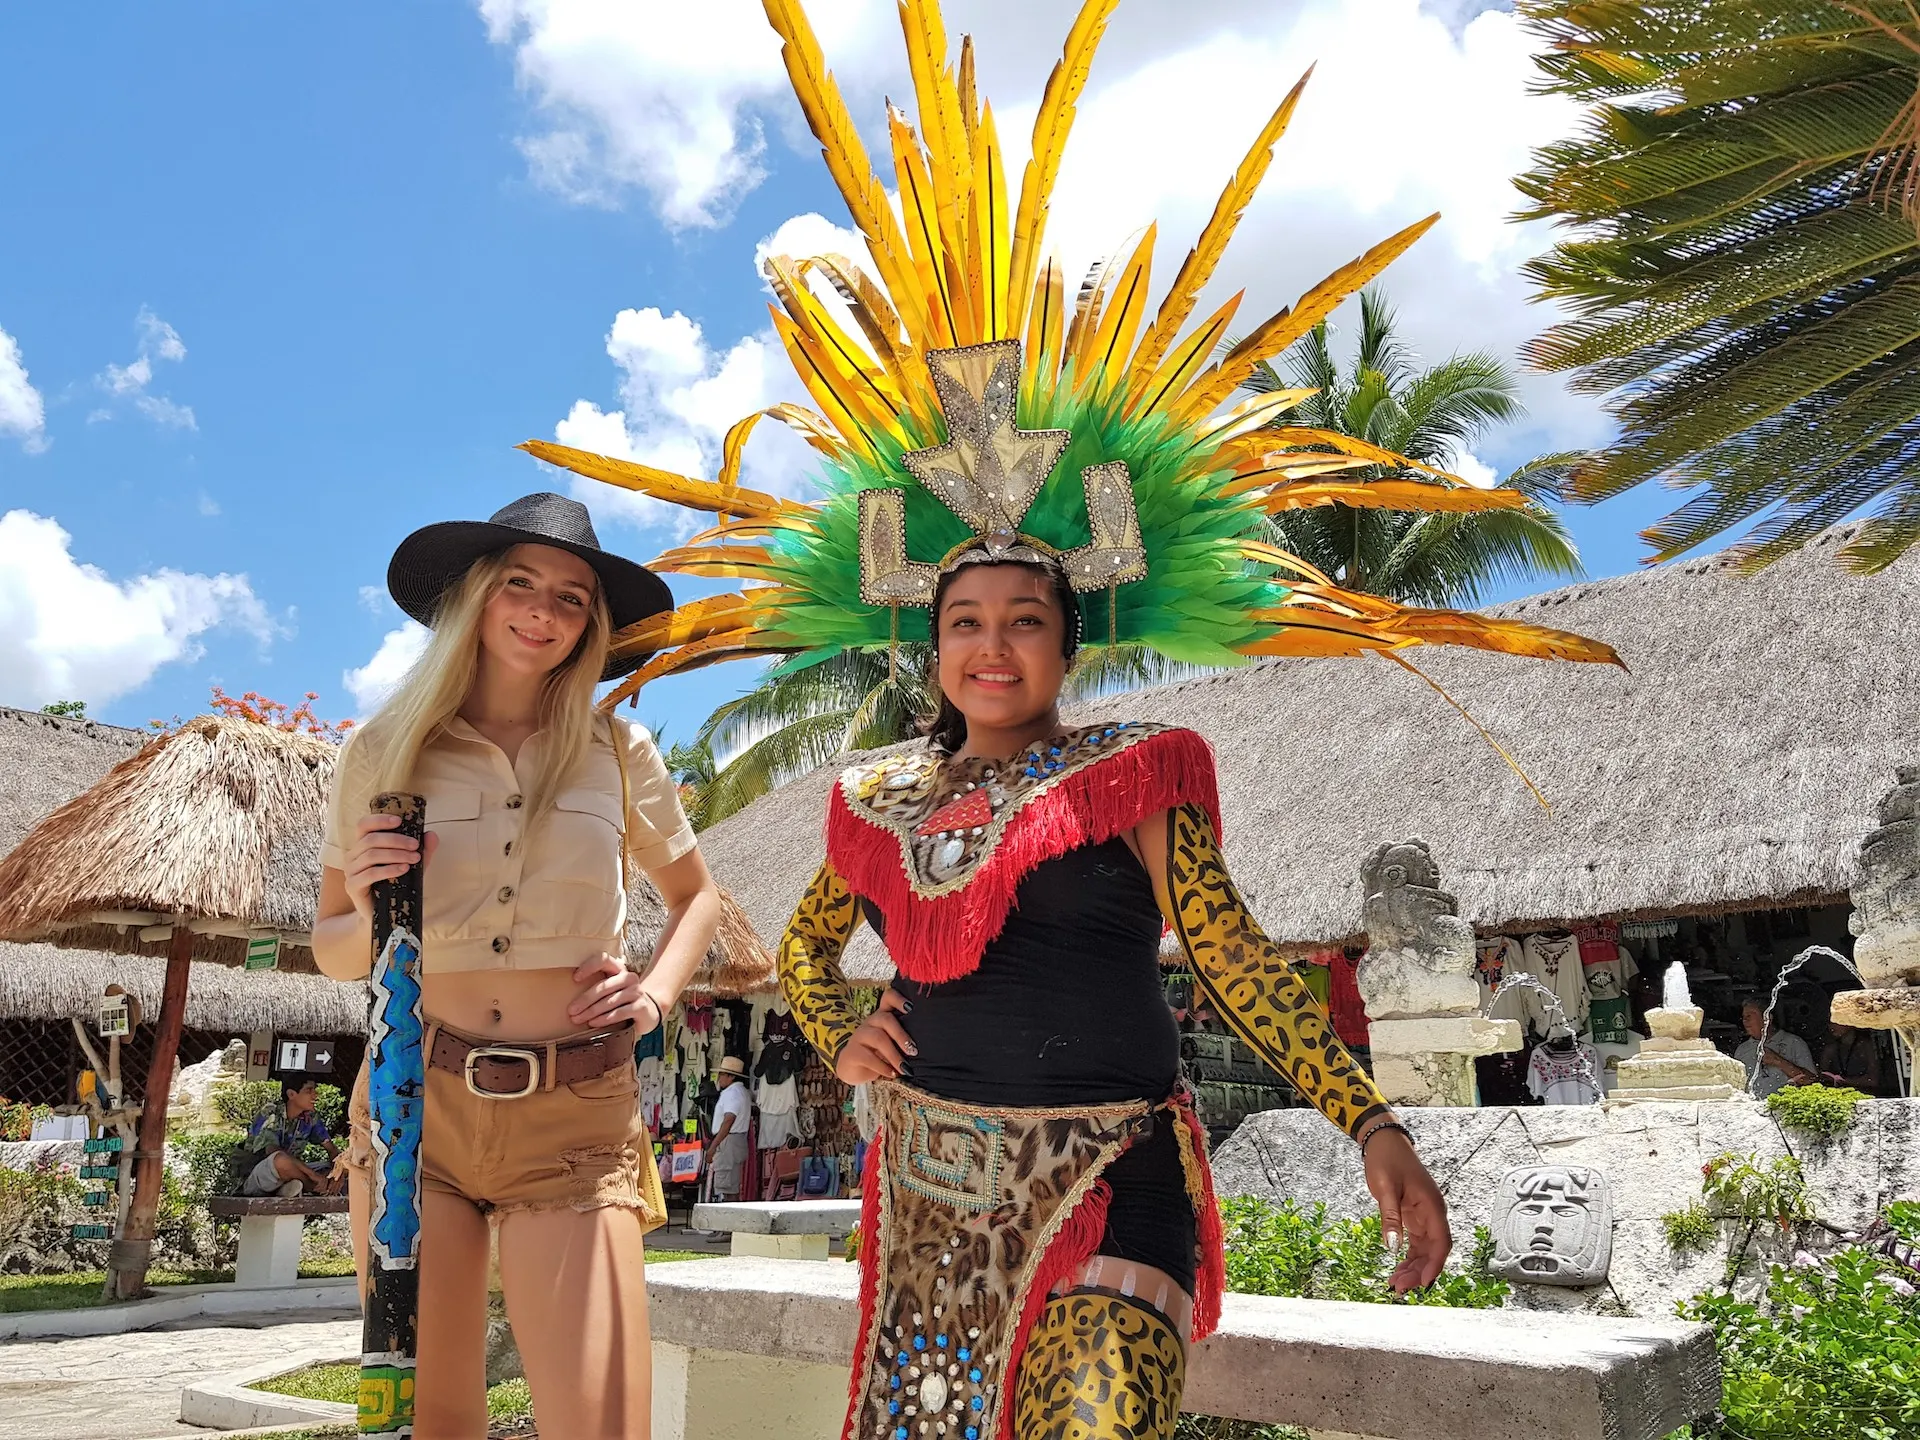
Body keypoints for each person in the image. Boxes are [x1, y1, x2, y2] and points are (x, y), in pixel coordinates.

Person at [779, 562, 1452, 1436]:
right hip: (929, 1196)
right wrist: (838, 1031)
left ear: (1069, 644)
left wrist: (1371, 1123)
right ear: (933, 644)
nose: (992, 647)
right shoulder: (879, 801)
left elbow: (1233, 957)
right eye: (964, 623)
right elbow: (802, 946)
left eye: (1024, 621)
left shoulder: (1134, 777)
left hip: (1111, 1171)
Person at [311, 492, 723, 1438]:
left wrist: (654, 995)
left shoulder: (618, 752)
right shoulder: (386, 750)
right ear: (476, 599)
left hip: (574, 1114)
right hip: (420, 1105)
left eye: (572, 598)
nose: (543, 612)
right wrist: (372, 906)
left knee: (600, 1423)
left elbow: (699, 897)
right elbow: (333, 947)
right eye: (520, 585)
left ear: (591, 625)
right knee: (433, 1416)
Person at [241, 1077, 342, 1197]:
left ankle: (296, 1187)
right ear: (291, 1094)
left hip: (295, 1172)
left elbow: (331, 1149)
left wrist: (337, 1174)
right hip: (261, 1174)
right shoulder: (271, 1111)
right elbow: (272, 1150)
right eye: (309, 1091)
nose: (315, 1095)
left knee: (346, 1166)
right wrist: (312, 1174)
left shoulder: (310, 1117)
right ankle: (314, 1188)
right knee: (280, 1161)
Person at [1735, 999, 1818, 1099]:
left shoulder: (1794, 1043)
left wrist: (1778, 1061)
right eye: (1743, 1017)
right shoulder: (1741, 1050)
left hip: (1785, 1107)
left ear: (1767, 1018)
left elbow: (1811, 1082)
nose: (1745, 1020)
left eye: (1749, 1016)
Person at [705, 1055, 751, 1203]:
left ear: (731, 1077)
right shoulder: (740, 1092)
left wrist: (713, 1146)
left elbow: (728, 1120)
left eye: (722, 1074)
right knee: (730, 1184)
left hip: (728, 1141)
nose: (719, 1078)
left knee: (727, 1185)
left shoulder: (733, 1093)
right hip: (734, 1140)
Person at [1820, 1020, 1887, 1096]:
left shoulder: (1866, 1046)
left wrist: (1843, 1080)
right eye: (1829, 1023)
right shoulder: (1830, 1049)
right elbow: (1821, 1077)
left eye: (1835, 1022)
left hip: (1866, 1096)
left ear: (1849, 1023)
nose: (1830, 1026)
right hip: (1838, 1096)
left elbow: (1873, 1080)